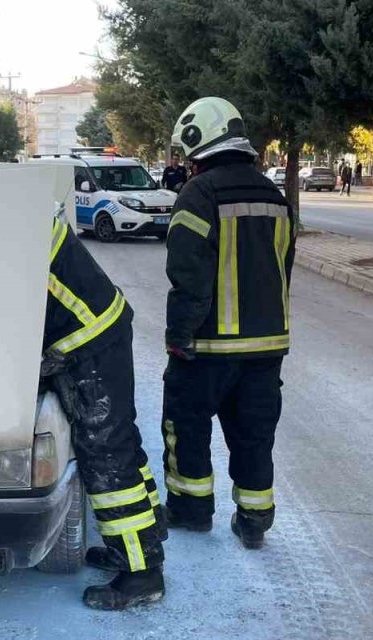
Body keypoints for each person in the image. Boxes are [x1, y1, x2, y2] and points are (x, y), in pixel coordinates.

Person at [161, 96, 295, 549]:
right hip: (265, 350)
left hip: (208, 348)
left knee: (188, 428)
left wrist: (179, 336)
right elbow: (284, 266)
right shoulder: (274, 196)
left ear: (200, 141)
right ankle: (255, 520)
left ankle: (191, 510)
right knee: (255, 436)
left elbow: (187, 276)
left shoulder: (198, 195)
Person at [40, 215, 166, 610]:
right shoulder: (11, 211)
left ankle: (141, 573)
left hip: (89, 339)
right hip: (100, 327)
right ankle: (143, 540)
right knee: (121, 441)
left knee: (107, 454)